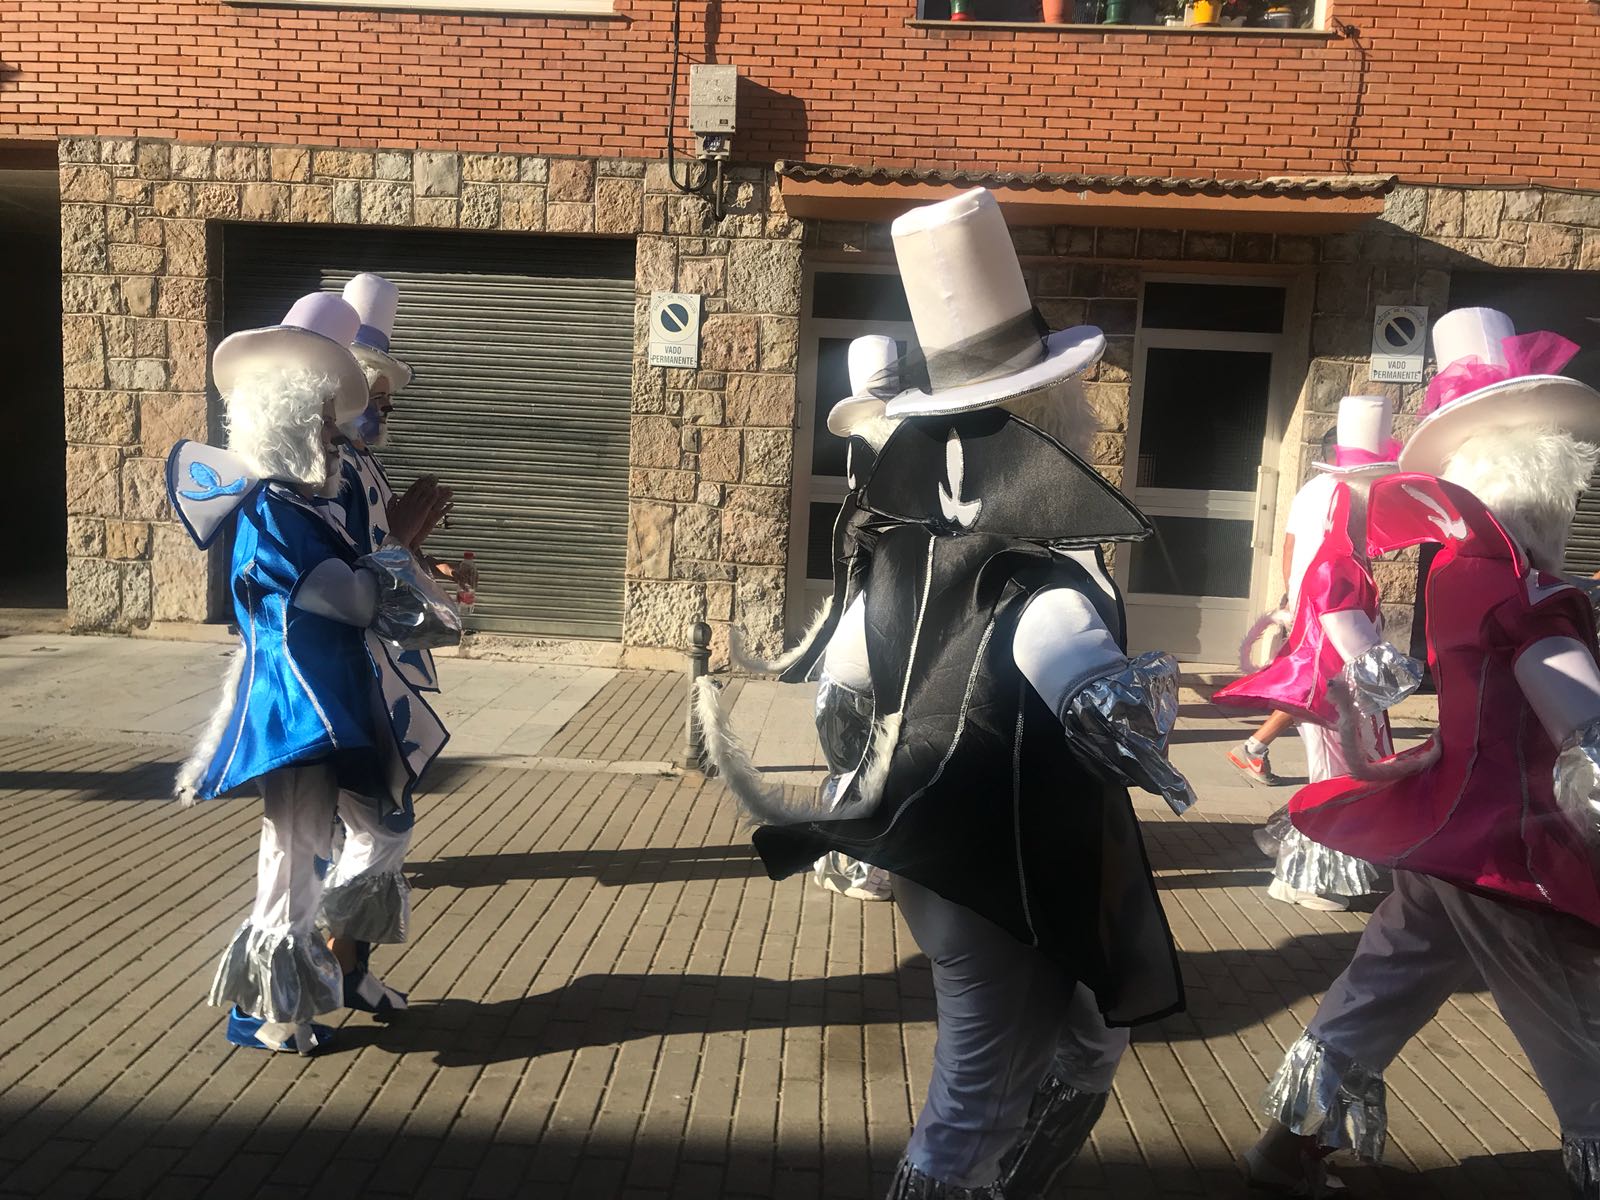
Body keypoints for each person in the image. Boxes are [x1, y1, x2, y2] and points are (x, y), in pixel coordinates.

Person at [699, 189, 1194, 1199]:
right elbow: (1086, 681)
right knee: (975, 1098)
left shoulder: (909, 543)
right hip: (997, 860)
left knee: (1071, 1046)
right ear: (1047, 414)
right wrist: (1132, 699)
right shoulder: (1036, 570)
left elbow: (843, 674)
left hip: (939, 844)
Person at [1246, 307, 1600, 1198]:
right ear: (1547, 478)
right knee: (1573, 1024)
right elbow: (1567, 702)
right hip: (1510, 849)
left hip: (1451, 828)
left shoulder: (1457, 568)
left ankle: (1291, 1139)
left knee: (1384, 983)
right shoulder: (1527, 586)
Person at [167, 292, 449, 1054]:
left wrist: (408, 558)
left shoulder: (311, 505)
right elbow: (351, 598)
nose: (338, 433)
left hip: (346, 699)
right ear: (289, 418)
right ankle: (265, 1009)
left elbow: (365, 584)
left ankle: (343, 967)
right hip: (296, 709)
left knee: (385, 829)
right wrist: (402, 545)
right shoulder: (271, 513)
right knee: (293, 858)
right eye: (324, 418)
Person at [1217, 405, 1396, 912]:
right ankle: (1316, 880)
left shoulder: (1344, 556)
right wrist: (1388, 673)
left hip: (1337, 680)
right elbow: (1344, 625)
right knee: (1338, 777)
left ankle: (1299, 873)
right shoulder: (1338, 563)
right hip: (1337, 682)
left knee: (1335, 774)